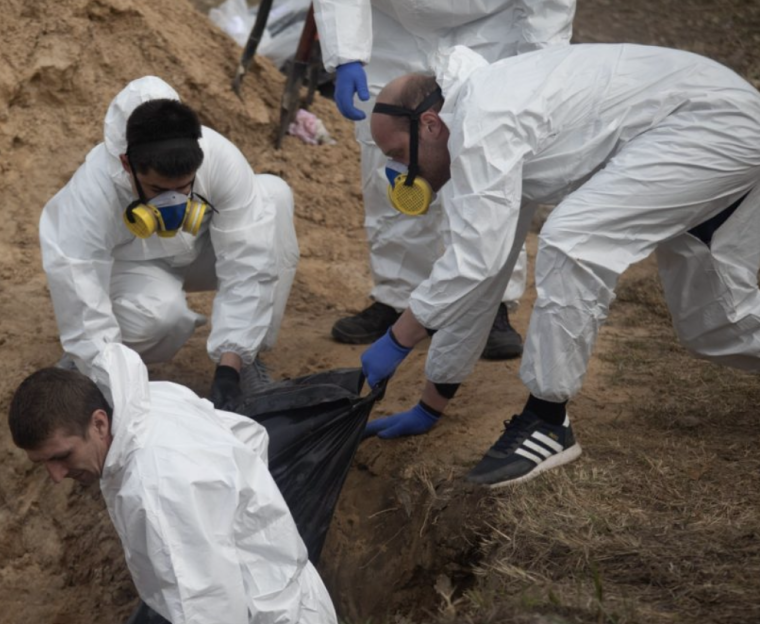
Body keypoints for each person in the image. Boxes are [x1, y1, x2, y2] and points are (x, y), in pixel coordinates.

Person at [359, 43, 760, 488]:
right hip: (708, 125)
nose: (399, 172)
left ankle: (548, 422)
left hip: (712, 123)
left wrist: (396, 341)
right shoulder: (470, 142)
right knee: (717, 326)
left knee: (574, 239)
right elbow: (481, 276)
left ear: (429, 125)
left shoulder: (483, 124)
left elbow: (474, 265)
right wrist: (432, 401)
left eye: (397, 154)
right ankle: (542, 421)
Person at [8, 342, 338, 624]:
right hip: (271, 617)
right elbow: (249, 436)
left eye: (61, 456)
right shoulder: (149, 405)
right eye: (43, 463)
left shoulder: (158, 485)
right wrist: (240, 534)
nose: (56, 476)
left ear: (98, 423)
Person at [312, 0, 576, 357]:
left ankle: (489, 305)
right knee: (390, 161)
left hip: (493, 29)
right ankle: (398, 298)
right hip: (393, 32)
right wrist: (345, 53)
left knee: (490, 164)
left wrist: (542, 63)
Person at [39, 76, 299, 409]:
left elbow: (250, 260)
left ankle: (247, 361)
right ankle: (88, 363)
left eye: (186, 186)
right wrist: (114, 388)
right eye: (159, 191)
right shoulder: (93, 192)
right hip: (135, 268)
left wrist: (229, 368)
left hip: (202, 251)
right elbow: (80, 288)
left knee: (273, 197)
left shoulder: (218, 156)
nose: (174, 202)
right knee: (163, 320)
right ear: (126, 164)